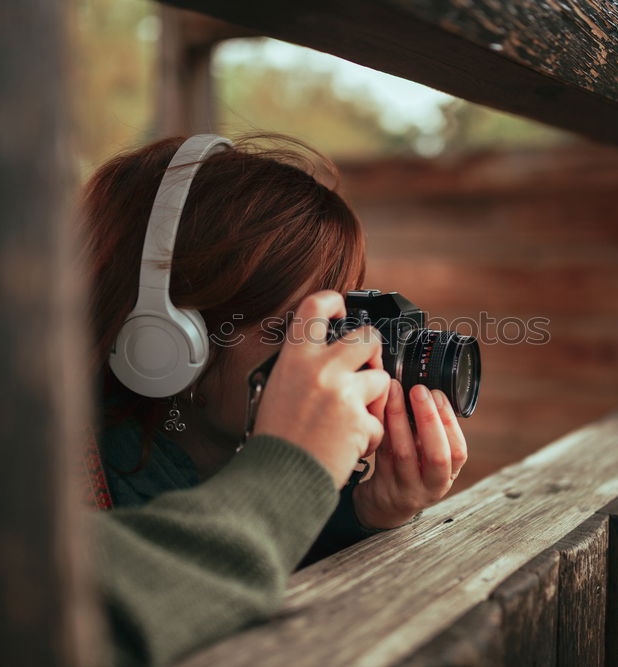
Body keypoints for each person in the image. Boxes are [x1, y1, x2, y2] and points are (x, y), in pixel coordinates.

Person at [80, 133, 468, 666]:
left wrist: (361, 515)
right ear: (163, 341)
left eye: (335, 322)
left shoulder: (217, 464)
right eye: (293, 327)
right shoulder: (38, 481)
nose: (330, 357)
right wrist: (292, 472)